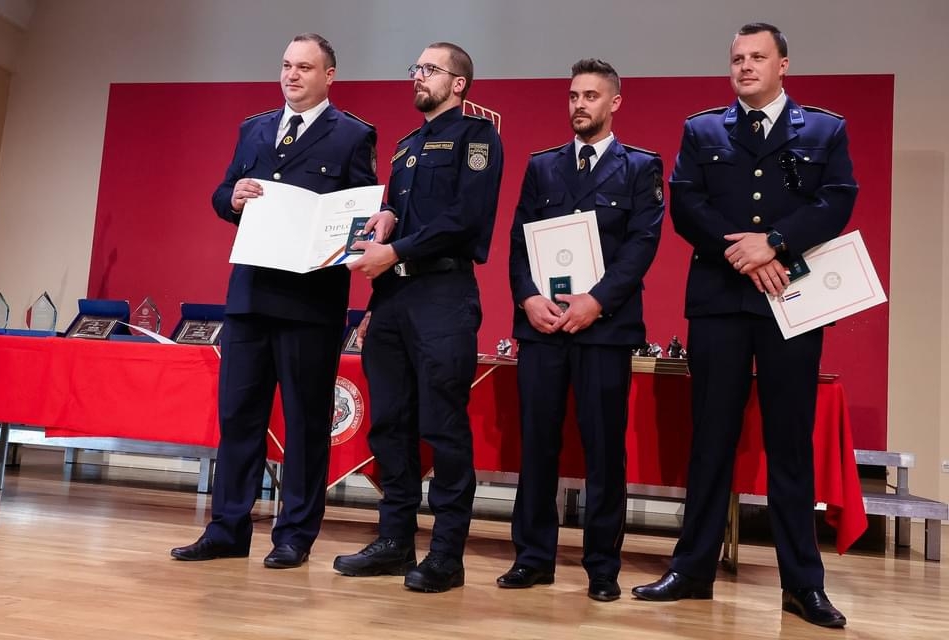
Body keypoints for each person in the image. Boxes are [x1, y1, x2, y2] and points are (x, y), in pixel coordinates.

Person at [631, 23, 857, 628]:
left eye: (758, 57)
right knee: (710, 438)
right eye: (737, 58)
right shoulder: (703, 129)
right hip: (720, 301)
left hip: (791, 300)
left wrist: (774, 243)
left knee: (790, 443)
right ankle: (691, 570)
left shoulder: (824, 129)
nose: (745, 66)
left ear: (784, 65)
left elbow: (837, 199)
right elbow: (686, 202)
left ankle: (803, 585)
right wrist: (745, 253)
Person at [171, 33, 391, 569]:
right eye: (287, 65)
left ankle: (294, 534)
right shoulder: (254, 128)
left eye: (304, 67)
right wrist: (232, 197)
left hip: (311, 303)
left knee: (306, 421)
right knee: (238, 417)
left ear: (329, 76)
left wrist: (354, 234)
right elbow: (222, 193)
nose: (291, 75)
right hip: (249, 297)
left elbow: (360, 209)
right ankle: (227, 529)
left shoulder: (353, 135)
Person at [333, 42, 504, 593]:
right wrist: (386, 216)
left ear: (459, 83)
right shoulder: (405, 146)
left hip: (443, 295)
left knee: (442, 427)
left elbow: (464, 218)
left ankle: (447, 555)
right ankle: (394, 540)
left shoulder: (478, 138)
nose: (418, 76)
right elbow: (401, 220)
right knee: (390, 424)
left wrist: (396, 250)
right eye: (416, 68)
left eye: (430, 69)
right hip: (393, 298)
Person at [496, 59, 664, 602]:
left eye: (590, 96)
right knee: (537, 446)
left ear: (614, 103)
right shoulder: (542, 166)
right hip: (543, 328)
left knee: (604, 451)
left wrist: (597, 302)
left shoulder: (640, 167)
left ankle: (602, 567)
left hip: (604, 331)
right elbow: (519, 242)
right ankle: (532, 558)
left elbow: (642, 246)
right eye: (573, 96)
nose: (579, 105)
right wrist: (527, 298)